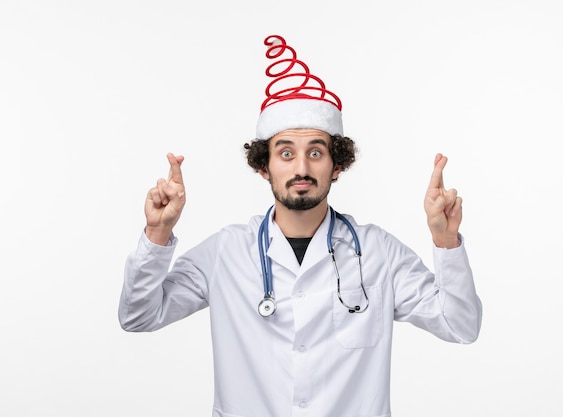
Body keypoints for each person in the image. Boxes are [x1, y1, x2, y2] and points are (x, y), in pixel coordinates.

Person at [118, 34, 482, 417]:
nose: (302, 168)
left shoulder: (378, 252)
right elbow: (138, 316)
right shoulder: (225, 252)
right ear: (264, 166)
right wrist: (157, 234)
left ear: (336, 166)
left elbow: (460, 326)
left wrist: (446, 240)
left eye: (316, 153)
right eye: (286, 153)